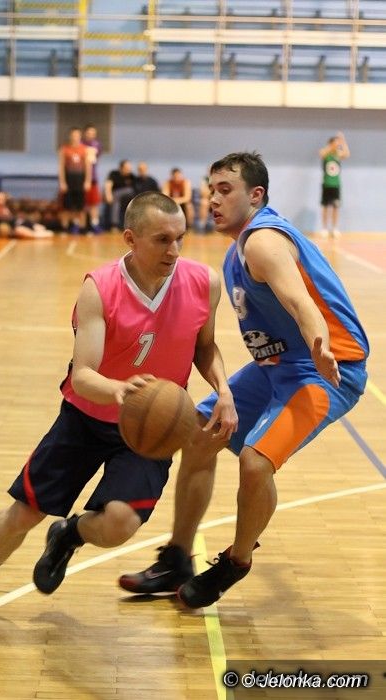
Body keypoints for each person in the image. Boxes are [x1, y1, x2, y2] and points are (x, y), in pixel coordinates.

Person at [0, 190, 237, 619]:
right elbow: (83, 375)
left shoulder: (204, 283)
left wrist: (223, 389)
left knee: (119, 525)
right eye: (161, 240)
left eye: (179, 238)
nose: (174, 250)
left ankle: (69, 534)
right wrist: (119, 391)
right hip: (86, 417)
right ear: (130, 238)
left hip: (150, 428)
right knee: (25, 513)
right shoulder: (100, 288)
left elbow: (204, 348)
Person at [119, 151, 369, 609]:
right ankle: (176, 557)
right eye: (210, 189)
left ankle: (236, 561)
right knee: (200, 434)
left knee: (255, 463)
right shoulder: (237, 251)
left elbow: (300, 302)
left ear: (256, 195)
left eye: (225, 190)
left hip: (325, 368)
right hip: (278, 365)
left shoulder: (262, 243)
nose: (213, 199)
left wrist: (319, 343)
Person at [58, 127, 92, 234]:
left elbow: (88, 167)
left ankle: (82, 228)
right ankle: (65, 228)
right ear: (70, 136)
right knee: (66, 206)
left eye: (77, 135)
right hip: (69, 178)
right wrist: (62, 182)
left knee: (81, 206)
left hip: (80, 179)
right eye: (73, 135)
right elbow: (61, 167)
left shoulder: (84, 149)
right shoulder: (64, 149)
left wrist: (87, 181)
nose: (75, 137)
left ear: (80, 136)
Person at [319, 131, 350, 238]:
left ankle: (335, 228)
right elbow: (321, 153)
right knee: (325, 207)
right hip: (326, 184)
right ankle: (324, 228)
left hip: (336, 185)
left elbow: (346, 154)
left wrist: (343, 141)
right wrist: (331, 145)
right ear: (331, 143)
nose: (337, 145)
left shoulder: (338, 154)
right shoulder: (326, 154)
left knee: (336, 207)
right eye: (335, 143)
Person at [82, 124, 103, 233]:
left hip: (93, 178)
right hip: (81, 178)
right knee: (82, 203)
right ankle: (83, 226)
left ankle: (94, 224)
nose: (91, 135)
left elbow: (95, 157)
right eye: (89, 133)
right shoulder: (80, 145)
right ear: (85, 133)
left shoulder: (97, 145)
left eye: (93, 133)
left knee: (94, 202)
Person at [104, 159, 136, 230]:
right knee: (116, 199)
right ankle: (114, 224)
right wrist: (108, 195)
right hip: (115, 197)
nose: (129, 170)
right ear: (121, 168)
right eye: (127, 168)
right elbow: (108, 185)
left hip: (128, 197)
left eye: (129, 168)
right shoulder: (114, 174)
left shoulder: (132, 176)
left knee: (129, 190)